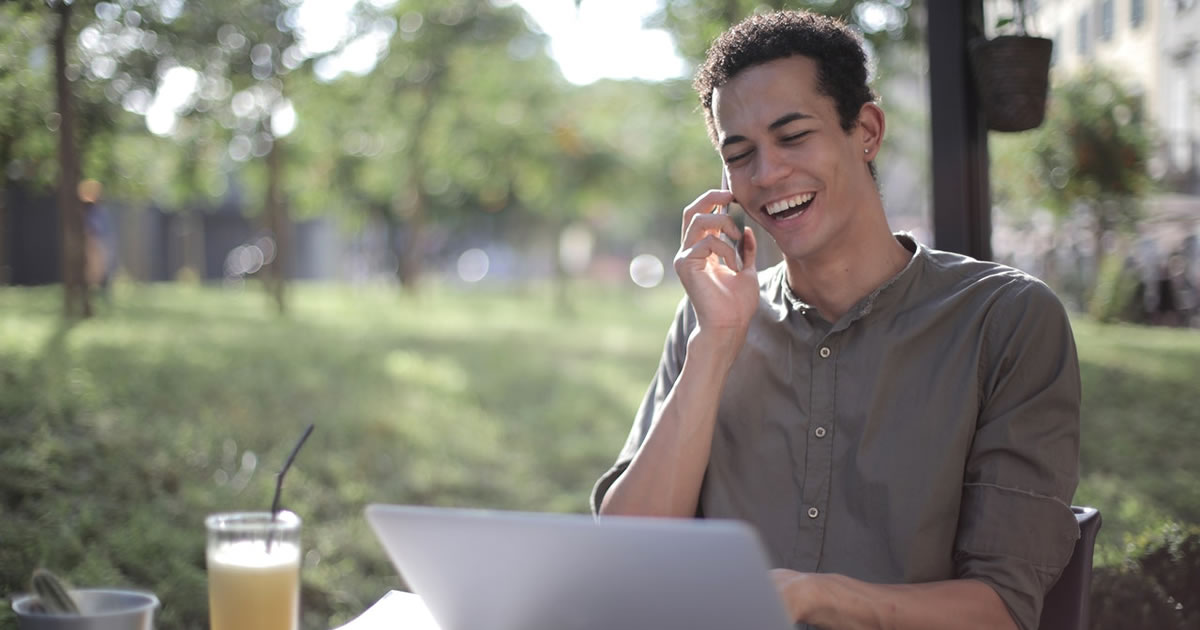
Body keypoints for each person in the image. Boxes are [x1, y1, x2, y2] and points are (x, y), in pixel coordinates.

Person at [591, 10, 1080, 630]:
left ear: (867, 131)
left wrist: (820, 598)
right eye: (740, 154)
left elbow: (1003, 609)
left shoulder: (1005, 321)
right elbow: (626, 557)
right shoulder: (710, 318)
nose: (767, 174)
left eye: (793, 136)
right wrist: (713, 347)